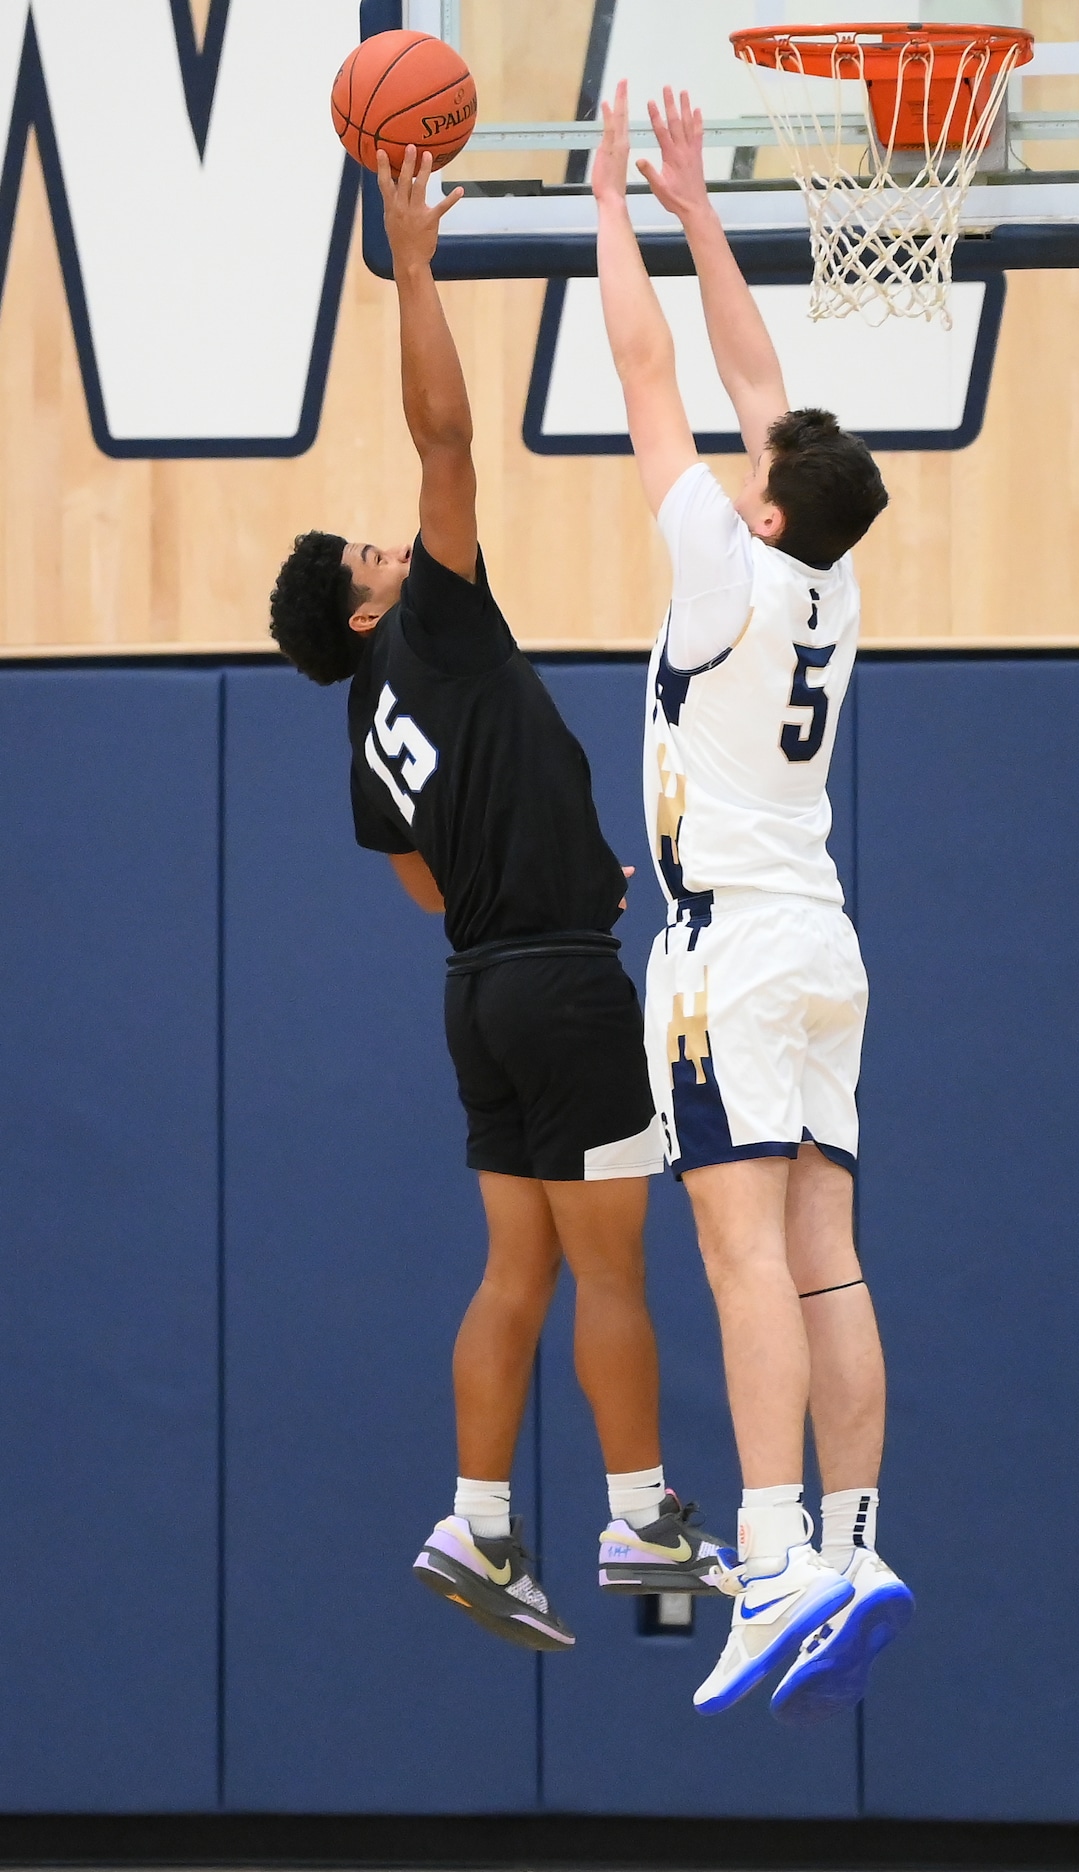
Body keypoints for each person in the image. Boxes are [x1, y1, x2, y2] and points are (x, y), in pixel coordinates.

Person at [268, 143, 728, 1656]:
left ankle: (477, 1523)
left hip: (477, 994)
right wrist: (411, 262)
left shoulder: (364, 734)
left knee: (514, 1267)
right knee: (612, 1270)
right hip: (560, 982)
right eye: (373, 552)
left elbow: (417, 881)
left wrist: (530, 872)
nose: (397, 540)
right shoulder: (440, 627)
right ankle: (649, 1530)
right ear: (366, 605)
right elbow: (449, 434)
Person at [591, 84, 914, 1722]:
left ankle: (778, 1556)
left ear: (771, 506)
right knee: (826, 1260)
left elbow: (658, 375)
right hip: (826, 943)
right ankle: (854, 1541)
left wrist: (612, 213)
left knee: (736, 1264)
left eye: (762, 464)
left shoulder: (724, 562)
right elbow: (760, 386)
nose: (746, 448)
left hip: (725, 948)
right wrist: (703, 208)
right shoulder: (833, 571)